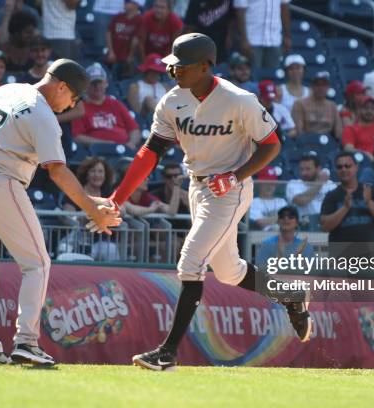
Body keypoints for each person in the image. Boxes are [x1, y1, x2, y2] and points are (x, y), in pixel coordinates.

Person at [105, 33, 310, 371]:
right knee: (230, 272)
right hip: (197, 188)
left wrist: (236, 175)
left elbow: (272, 144)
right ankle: (290, 295)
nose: (174, 71)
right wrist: (118, 198)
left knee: (191, 261)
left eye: (181, 66)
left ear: (204, 66)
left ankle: (167, 353)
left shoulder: (238, 99)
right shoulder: (172, 101)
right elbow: (150, 152)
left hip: (232, 188)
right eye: (172, 65)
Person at [0, 59, 122, 366]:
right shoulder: (42, 112)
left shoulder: (8, 89)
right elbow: (56, 171)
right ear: (61, 86)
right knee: (38, 263)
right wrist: (92, 210)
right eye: (74, 97)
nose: (72, 104)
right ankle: (26, 342)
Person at [320, 151, 374, 258]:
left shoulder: (371, 191)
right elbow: (325, 227)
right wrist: (345, 208)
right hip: (340, 258)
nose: (343, 169)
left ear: (356, 168)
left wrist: (369, 202)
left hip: (368, 257)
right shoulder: (331, 196)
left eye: (347, 166)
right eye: (339, 167)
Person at [58, 157, 120, 261]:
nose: (97, 175)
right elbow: (70, 217)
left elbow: (121, 209)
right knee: (64, 249)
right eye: (93, 171)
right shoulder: (75, 192)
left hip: (101, 240)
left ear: (105, 175)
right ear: (86, 174)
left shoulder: (109, 194)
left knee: (111, 250)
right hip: (77, 238)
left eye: (100, 171)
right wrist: (90, 215)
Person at [71, 63, 141, 150]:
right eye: (93, 83)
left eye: (99, 82)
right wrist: (105, 144)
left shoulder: (116, 104)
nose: (97, 86)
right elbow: (78, 137)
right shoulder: (80, 107)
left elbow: (134, 129)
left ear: (106, 83)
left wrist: (131, 143)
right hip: (98, 153)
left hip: (123, 150)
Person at [234, 0, 291, 69]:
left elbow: (284, 8)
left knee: (271, 76)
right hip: (252, 39)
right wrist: (244, 39)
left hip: (274, 38)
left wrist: (287, 36)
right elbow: (240, 11)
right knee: (253, 74)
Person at [292, 71, 342, 138]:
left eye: (324, 85)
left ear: (328, 87)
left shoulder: (332, 106)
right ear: (312, 87)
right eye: (317, 85)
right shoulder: (300, 104)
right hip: (306, 142)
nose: (321, 88)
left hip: (327, 143)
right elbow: (298, 131)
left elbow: (338, 132)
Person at [183, 0, 234, 64]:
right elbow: (189, 26)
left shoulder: (228, 1)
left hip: (221, 40)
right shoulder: (195, 2)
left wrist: (230, 36)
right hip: (202, 41)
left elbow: (232, 19)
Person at [341, 95, 374, 160]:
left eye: (373, 109)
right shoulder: (350, 129)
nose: (369, 111)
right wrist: (366, 155)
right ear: (359, 110)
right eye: (366, 108)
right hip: (360, 163)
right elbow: (348, 149)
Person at [105, 0, 144, 79]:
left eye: (128, 1)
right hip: (115, 56)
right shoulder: (118, 17)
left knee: (127, 79)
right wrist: (111, 52)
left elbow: (136, 39)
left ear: (136, 4)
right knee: (112, 78)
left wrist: (130, 56)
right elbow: (109, 33)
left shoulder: (140, 20)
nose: (125, 3)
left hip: (128, 59)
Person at [127, 53, 170, 118]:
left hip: (166, 119)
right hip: (145, 119)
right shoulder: (135, 87)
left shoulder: (165, 87)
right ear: (147, 71)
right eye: (154, 71)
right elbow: (136, 112)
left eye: (158, 72)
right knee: (148, 99)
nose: (156, 74)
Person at [249, 166, 288, 230]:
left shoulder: (281, 201)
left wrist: (270, 219)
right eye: (266, 183)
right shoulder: (253, 202)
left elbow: (288, 221)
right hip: (260, 237)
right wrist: (280, 217)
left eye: (272, 183)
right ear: (259, 184)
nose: (269, 186)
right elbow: (260, 223)